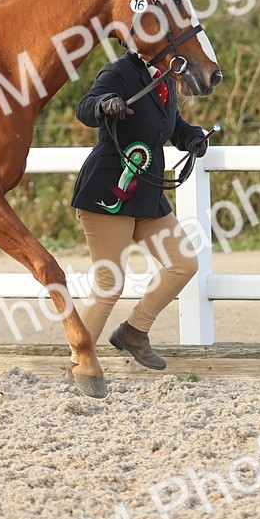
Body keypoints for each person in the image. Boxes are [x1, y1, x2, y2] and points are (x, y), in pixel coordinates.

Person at [69, 48, 209, 371]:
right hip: (110, 192)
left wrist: (192, 138)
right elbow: (85, 108)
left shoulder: (165, 78)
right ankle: (79, 363)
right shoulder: (118, 72)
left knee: (183, 262)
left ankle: (134, 330)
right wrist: (104, 105)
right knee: (110, 283)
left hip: (147, 195)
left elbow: (171, 126)